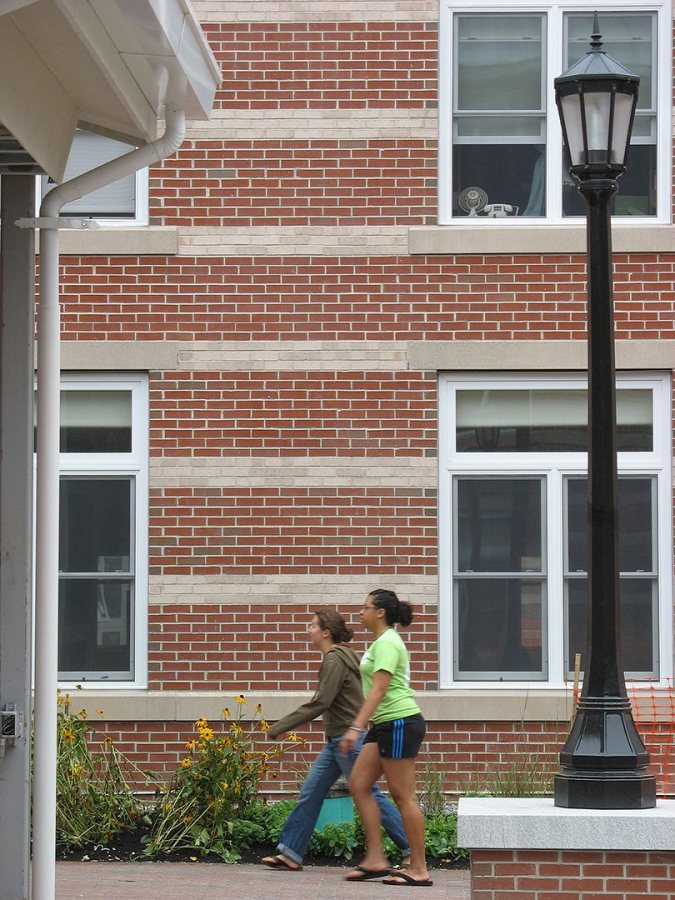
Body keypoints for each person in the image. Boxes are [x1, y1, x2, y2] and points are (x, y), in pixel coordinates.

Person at [260, 606, 410, 875]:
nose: (309, 629)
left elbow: (321, 702)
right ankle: (291, 852)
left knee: (369, 794)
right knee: (311, 791)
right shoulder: (343, 657)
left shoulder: (334, 659)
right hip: (337, 740)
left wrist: (280, 727)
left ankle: (411, 847)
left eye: (313, 625)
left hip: (347, 739)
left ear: (326, 632)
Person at [340, 589, 432, 887]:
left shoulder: (390, 643)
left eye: (365, 607)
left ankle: (418, 867)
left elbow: (379, 689)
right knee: (359, 784)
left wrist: (355, 727)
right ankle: (376, 858)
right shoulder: (380, 642)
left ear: (380, 612)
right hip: (383, 724)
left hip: (399, 722)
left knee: (403, 795)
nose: (360, 612)